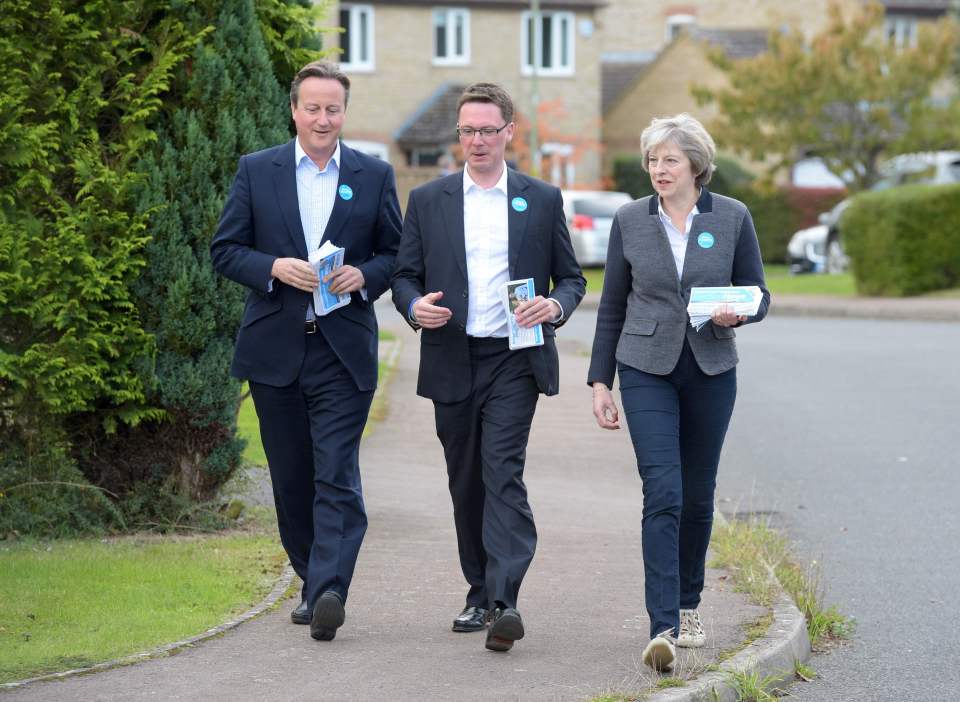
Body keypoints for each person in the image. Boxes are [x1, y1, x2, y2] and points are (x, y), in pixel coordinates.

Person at [210, 60, 402, 642]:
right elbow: (225, 250)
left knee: (337, 473)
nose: (323, 118)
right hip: (275, 351)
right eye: (313, 108)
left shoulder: (373, 174)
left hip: (343, 351)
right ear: (294, 110)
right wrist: (272, 266)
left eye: (333, 109)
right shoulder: (257, 170)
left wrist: (363, 277)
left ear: (345, 112)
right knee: (292, 477)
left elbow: (396, 254)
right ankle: (310, 578)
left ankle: (329, 590)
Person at [391, 82, 586, 653]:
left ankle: (505, 600)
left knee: (503, 469)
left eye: (487, 129)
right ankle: (477, 589)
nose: (476, 140)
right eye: (467, 130)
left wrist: (556, 306)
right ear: (459, 136)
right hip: (452, 354)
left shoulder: (541, 198)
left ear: (509, 133)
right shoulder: (429, 201)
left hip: (515, 357)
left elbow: (572, 279)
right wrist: (412, 306)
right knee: (466, 479)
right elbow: (405, 276)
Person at [587, 113, 770, 671]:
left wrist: (735, 313)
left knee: (697, 495)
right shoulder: (629, 220)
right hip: (645, 366)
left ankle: (690, 602)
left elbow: (759, 293)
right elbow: (612, 304)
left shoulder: (732, 217)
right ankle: (662, 624)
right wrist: (600, 380)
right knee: (662, 490)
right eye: (652, 159)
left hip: (712, 366)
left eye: (669, 159)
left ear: (696, 163)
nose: (659, 169)